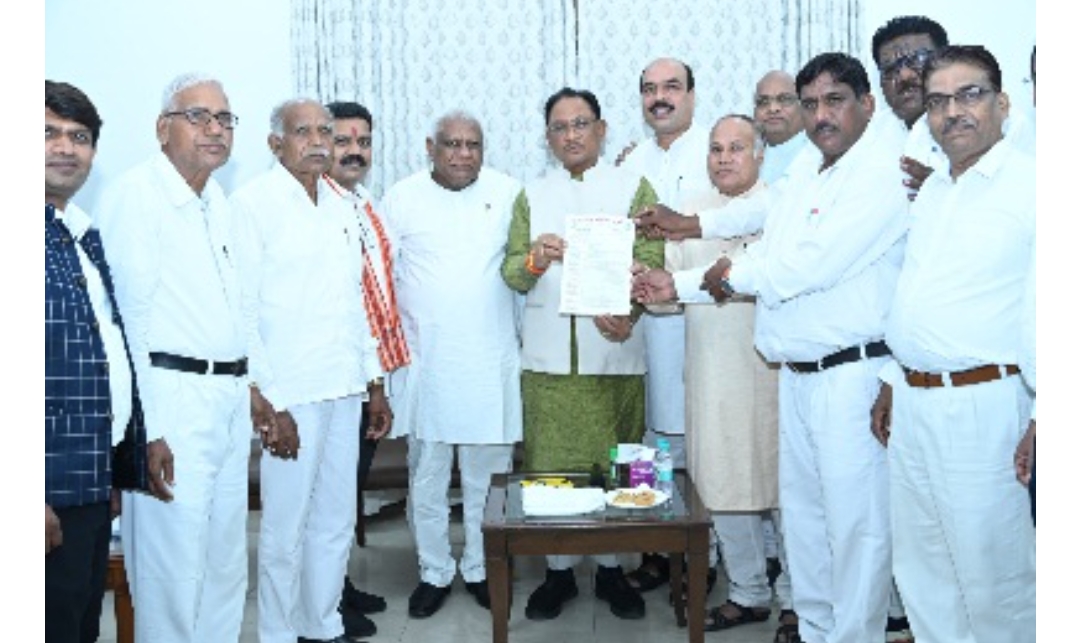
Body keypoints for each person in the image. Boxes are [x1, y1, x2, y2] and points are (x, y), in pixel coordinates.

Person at [634, 53, 908, 643]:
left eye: (834, 101)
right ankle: (815, 630)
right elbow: (766, 219)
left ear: (866, 104)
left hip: (851, 375)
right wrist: (684, 262)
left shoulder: (882, 173)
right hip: (799, 375)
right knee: (806, 525)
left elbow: (808, 264)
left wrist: (723, 273)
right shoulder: (812, 166)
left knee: (854, 530)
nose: (820, 115)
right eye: (811, 104)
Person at [872, 45, 1036, 643]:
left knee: (995, 580)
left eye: (970, 95)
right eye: (938, 100)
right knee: (925, 571)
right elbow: (918, 296)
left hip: (985, 406)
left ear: (1003, 103)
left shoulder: (1036, 188)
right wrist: (893, 379)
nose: (952, 112)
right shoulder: (937, 188)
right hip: (915, 404)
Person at [95, 73, 252, 643]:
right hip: (173, 402)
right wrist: (148, 429)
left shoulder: (217, 199)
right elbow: (127, 323)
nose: (215, 129)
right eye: (198, 116)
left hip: (228, 397)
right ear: (163, 128)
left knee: (224, 561)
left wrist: (252, 388)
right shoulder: (136, 196)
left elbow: (237, 309)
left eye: (224, 119)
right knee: (172, 567)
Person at [230, 98, 391, 643]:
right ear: (276, 143)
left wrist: (374, 383)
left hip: (345, 387)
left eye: (326, 131)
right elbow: (242, 311)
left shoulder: (341, 206)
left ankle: (321, 625)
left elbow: (355, 303)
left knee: (335, 519)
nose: (319, 141)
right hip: (291, 394)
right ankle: (278, 634)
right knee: (284, 529)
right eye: (305, 131)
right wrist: (269, 402)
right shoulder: (252, 204)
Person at [500, 87, 664, 622]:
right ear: (547, 138)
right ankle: (559, 573)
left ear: (602, 129)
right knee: (552, 474)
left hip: (615, 357)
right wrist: (534, 259)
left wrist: (631, 312)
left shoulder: (632, 187)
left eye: (580, 123)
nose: (570, 135)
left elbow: (652, 255)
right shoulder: (531, 194)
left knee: (619, 469)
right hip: (549, 365)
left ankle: (614, 570)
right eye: (559, 127)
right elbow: (511, 273)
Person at [379, 110, 524, 619]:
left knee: (489, 478)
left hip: (490, 360)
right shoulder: (401, 197)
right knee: (428, 477)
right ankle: (434, 571)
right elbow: (383, 280)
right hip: (428, 364)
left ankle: (482, 569)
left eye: (472, 145)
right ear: (430, 147)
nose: (463, 154)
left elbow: (523, 270)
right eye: (452, 144)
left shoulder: (508, 193)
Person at [659, 114, 791, 637]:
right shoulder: (687, 212)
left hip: (772, 375)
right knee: (722, 485)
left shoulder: (781, 207)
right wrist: (643, 286)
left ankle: (798, 600)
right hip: (712, 376)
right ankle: (748, 593)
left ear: (760, 155)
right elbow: (667, 295)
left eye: (737, 148)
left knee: (785, 494)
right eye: (716, 149)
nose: (724, 158)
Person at [45, 80, 163, 643]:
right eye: (47, 133)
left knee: (80, 627)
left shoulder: (78, 236)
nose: (65, 148)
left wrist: (112, 471)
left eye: (80, 137)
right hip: (46, 491)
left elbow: (99, 360)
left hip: (86, 485)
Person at [617, 55, 711, 596]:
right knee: (648, 438)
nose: (661, 98)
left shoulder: (717, 151)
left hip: (705, 316)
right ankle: (654, 547)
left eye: (672, 87)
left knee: (697, 439)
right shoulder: (631, 162)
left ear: (691, 95)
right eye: (650, 89)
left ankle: (702, 553)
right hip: (645, 321)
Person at [325, 99, 405, 625]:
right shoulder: (319, 207)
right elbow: (349, 305)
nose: (355, 151)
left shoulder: (363, 202)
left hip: (366, 374)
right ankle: (324, 602)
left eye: (364, 142)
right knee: (329, 498)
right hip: (339, 378)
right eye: (343, 141)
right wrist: (374, 385)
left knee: (343, 492)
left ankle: (337, 586)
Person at [870, 15, 951, 197]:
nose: (904, 76)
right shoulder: (868, 138)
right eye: (890, 70)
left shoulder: (993, 126)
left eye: (918, 59)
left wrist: (946, 191)